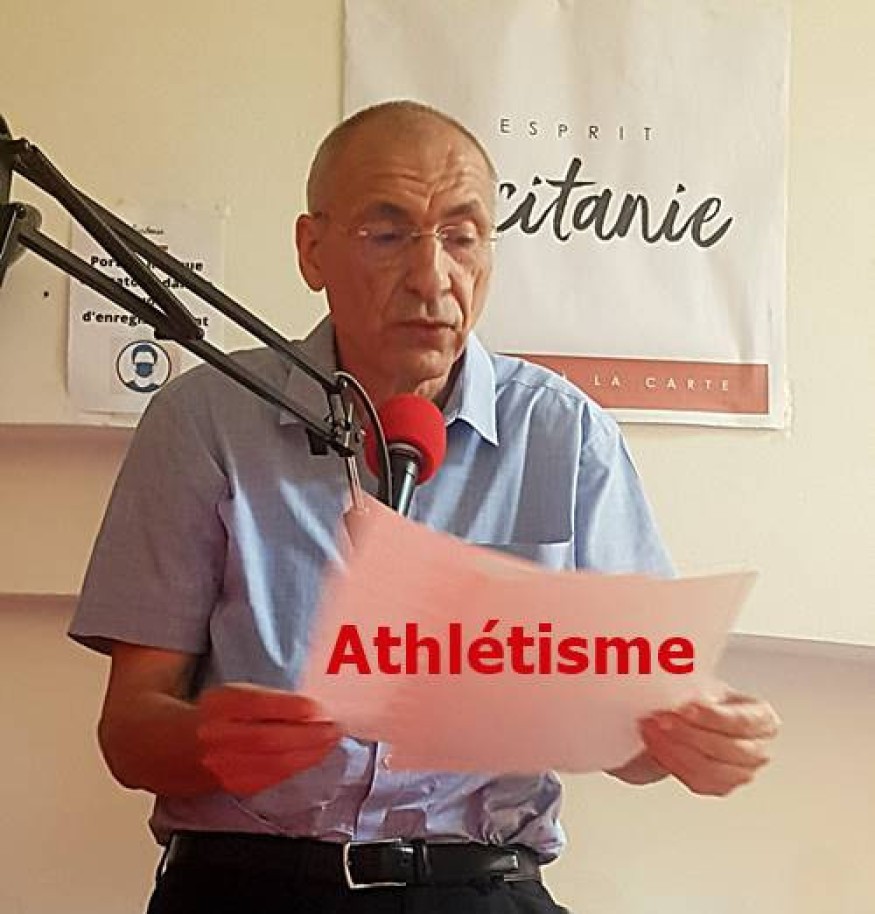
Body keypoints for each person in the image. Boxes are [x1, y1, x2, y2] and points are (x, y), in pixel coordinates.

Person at [70, 101, 779, 914]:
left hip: (476, 883)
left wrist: (692, 737)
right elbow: (129, 735)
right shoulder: (207, 418)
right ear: (311, 249)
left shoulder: (563, 433)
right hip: (250, 882)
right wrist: (208, 741)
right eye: (386, 233)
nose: (432, 277)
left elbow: (635, 732)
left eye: (462, 236)